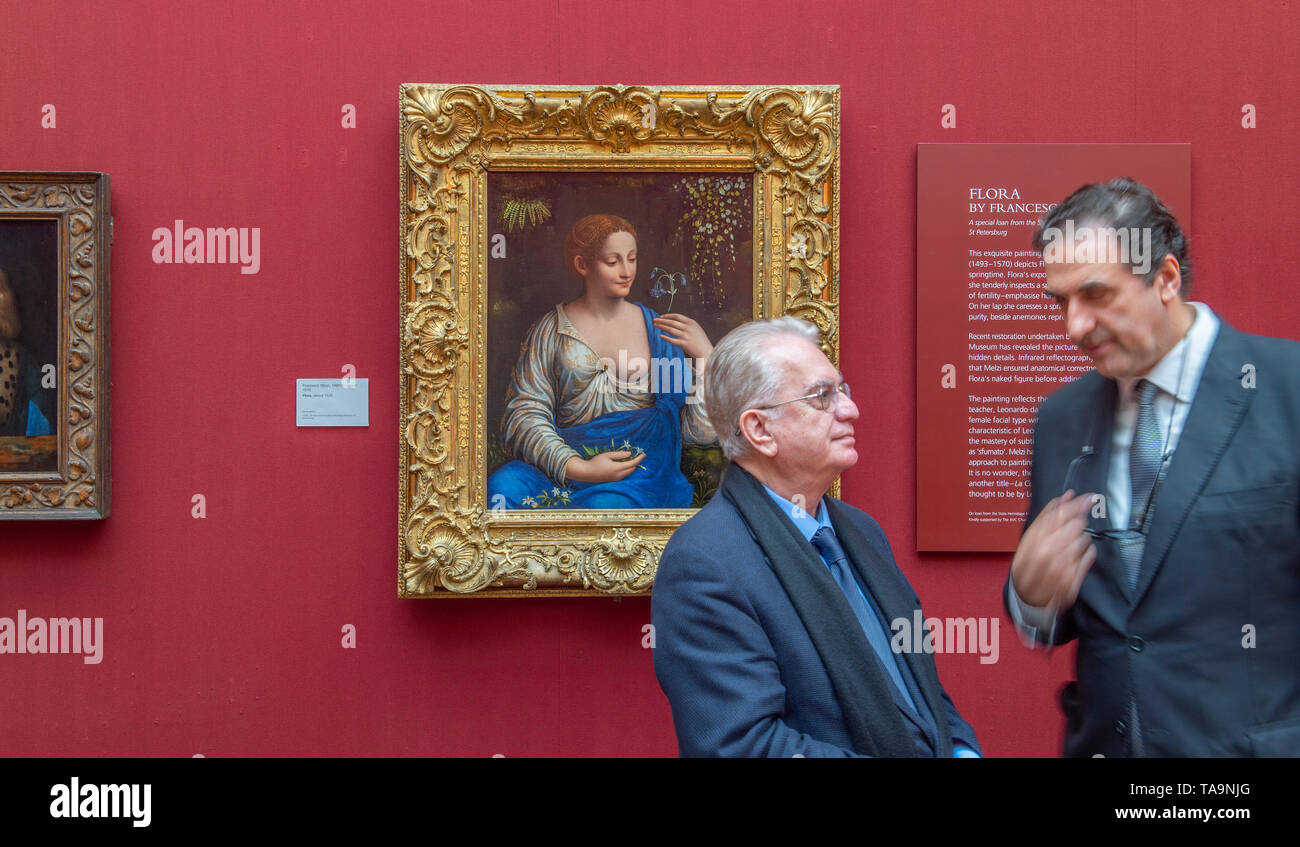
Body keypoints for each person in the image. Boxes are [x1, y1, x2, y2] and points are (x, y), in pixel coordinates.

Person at [1006, 177, 1300, 757]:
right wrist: (1029, 597)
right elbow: (1060, 614)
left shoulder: (1287, 390)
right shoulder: (1060, 417)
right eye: (1061, 302)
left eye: (1095, 295)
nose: (1074, 328)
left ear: (1164, 279)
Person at [652, 317, 982, 757]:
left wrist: (962, 751)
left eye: (842, 389)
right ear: (759, 430)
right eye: (822, 396)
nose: (850, 409)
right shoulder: (704, 561)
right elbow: (742, 747)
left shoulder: (862, 532)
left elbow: (919, 690)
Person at [488, 214, 716, 509]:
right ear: (583, 265)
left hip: (635, 473)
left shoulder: (659, 333)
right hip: (561, 468)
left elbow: (696, 433)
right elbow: (523, 414)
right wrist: (578, 467)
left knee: (604, 505)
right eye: (612, 262)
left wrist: (706, 358)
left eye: (632, 259)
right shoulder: (551, 330)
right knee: (502, 487)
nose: (626, 271)